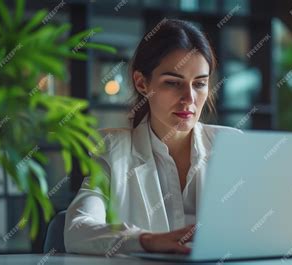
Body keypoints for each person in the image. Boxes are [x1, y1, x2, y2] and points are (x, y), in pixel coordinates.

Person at [64, 19, 241, 256]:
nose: (189, 98)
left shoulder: (232, 147)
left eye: (199, 84)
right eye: (173, 83)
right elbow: (77, 230)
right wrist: (145, 240)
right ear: (142, 83)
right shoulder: (112, 150)